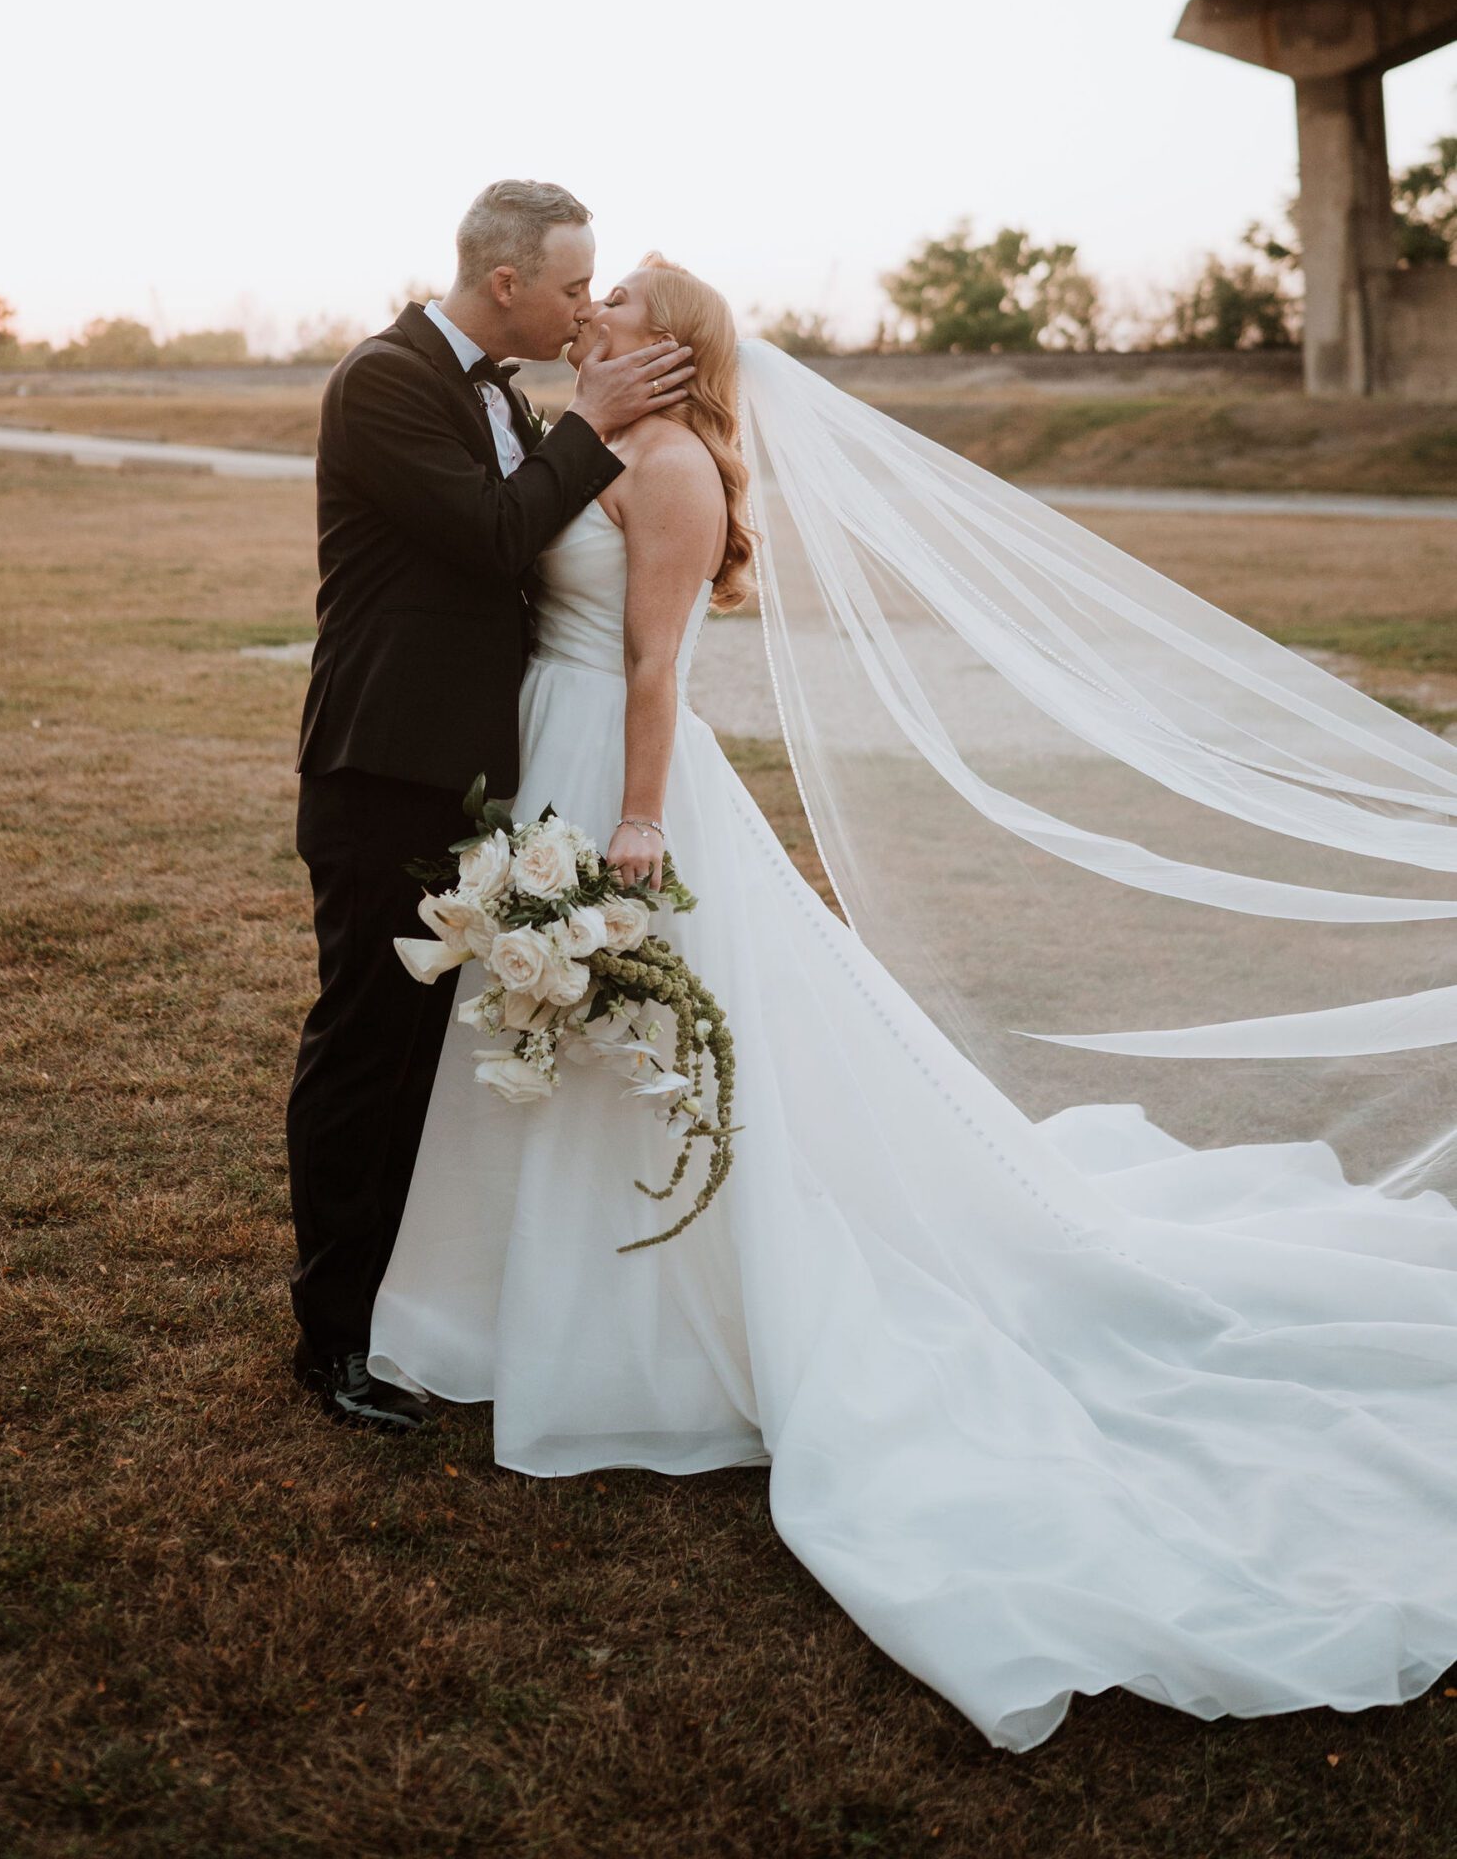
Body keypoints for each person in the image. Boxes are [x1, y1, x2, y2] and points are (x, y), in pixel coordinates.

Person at [368, 251, 1457, 1753]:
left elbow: (653, 668)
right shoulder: (593, 442)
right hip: (538, 747)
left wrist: (630, 825)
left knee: (631, 1044)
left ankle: (652, 1336)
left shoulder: (671, 468)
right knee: (548, 1046)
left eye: (615, 300)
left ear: (673, 351)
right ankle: (507, 1310)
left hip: (617, 785)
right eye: (585, 296)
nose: (590, 315)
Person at [286, 182, 694, 1431]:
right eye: (575, 285)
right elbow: (491, 533)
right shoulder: (387, 380)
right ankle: (333, 1337)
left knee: (432, 1060)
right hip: (381, 766)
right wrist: (597, 418)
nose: (585, 305)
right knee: (366, 1045)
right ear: (507, 283)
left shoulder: (503, 397)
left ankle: (416, 1299)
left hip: (475, 770)